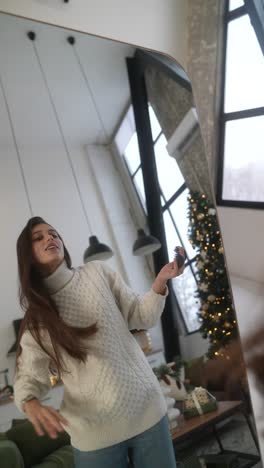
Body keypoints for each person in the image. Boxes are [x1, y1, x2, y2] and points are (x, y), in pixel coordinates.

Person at [14, 216, 185, 468]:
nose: (50, 238)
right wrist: (29, 402)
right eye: (38, 238)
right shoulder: (36, 320)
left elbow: (141, 314)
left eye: (54, 233)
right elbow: (29, 376)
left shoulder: (98, 272)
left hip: (147, 412)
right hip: (94, 435)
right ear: (27, 256)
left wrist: (159, 283)